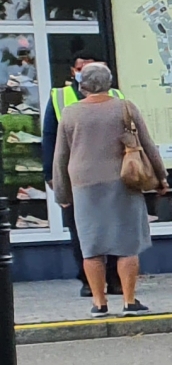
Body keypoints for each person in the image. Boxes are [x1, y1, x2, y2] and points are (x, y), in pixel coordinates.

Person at [49, 62, 164, 315]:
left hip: (84, 185)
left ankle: (99, 303)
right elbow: (147, 145)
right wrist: (161, 178)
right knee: (126, 244)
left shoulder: (70, 113)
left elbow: (60, 157)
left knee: (91, 246)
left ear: (83, 85)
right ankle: (129, 301)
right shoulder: (125, 107)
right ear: (109, 83)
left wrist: (62, 193)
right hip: (124, 181)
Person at [39, 46, 108, 258]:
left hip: (110, 175)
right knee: (80, 231)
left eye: (91, 67)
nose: (86, 72)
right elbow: (50, 137)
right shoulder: (61, 97)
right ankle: (88, 282)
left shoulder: (116, 96)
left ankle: (115, 279)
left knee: (113, 230)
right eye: (81, 67)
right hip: (74, 177)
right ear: (73, 71)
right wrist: (51, 175)